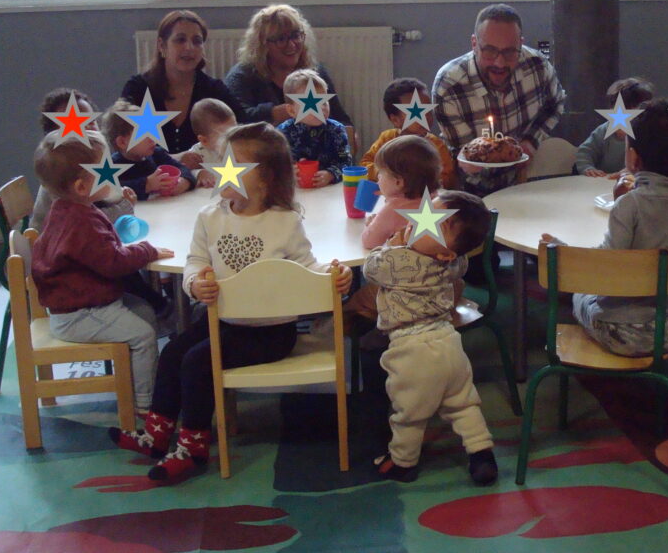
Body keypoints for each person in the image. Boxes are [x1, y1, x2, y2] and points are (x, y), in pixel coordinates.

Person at [109, 122, 354, 482]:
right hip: (224, 320)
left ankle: (193, 447)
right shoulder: (210, 217)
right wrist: (195, 283)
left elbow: (306, 265)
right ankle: (157, 434)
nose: (223, 168)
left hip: (271, 332)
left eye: (235, 163)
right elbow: (195, 261)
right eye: (222, 159)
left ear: (266, 179)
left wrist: (335, 276)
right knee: (174, 351)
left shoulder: (284, 222)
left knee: (197, 361)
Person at [546, 99, 668, 419]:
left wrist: (561, 248)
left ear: (633, 158)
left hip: (618, 331)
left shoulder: (629, 205)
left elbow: (607, 265)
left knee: (579, 295)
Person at [31, 130, 174, 413]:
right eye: (104, 169)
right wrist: (147, 251)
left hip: (83, 304)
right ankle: (145, 404)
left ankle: (138, 380)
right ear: (82, 186)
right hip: (80, 314)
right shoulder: (80, 221)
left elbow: (100, 248)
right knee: (143, 336)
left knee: (145, 311)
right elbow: (114, 262)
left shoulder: (69, 209)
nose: (112, 173)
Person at [365, 190, 498, 486]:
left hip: (413, 351)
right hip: (450, 343)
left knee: (409, 413)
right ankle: (482, 453)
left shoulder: (399, 262)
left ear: (446, 253)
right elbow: (459, 261)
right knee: (463, 403)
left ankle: (403, 462)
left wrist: (390, 245)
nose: (417, 222)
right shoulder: (455, 263)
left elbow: (371, 268)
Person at [432, 3, 566, 197]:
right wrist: (470, 161)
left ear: (520, 44)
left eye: (510, 52)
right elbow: (463, 154)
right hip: (472, 191)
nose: (499, 62)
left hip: (526, 181)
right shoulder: (450, 86)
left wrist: (531, 140)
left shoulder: (538, 67)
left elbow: (556, 104)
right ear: (474, 43)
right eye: (489, 51)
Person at [121, 10, 245, 159]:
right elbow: (122, 146)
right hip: (148, 172)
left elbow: (243, 133)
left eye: (197, 41)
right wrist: (177, 159)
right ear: (162, 45)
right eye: (180, 40)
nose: (189, 47)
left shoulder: (215, 91)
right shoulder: (137, 88)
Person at [225, 4, 352, 128]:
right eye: (281, 39)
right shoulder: (242, 76)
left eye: (296, 36)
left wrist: (349, 134)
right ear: (262, 44)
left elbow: (341, 119)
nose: (291, 45)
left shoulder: (315, 72)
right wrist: (277, 112)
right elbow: (236, 120)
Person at [30, 87, 133, 230]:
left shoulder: (94, 161)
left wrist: (121, 196)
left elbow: (105, 199)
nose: (90, 130)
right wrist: (125, 206)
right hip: (53, 240)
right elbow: (89, 222)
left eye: (92, 121)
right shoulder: (61, 177)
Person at [361, 78, 458, 189]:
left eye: (428, 111)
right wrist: (387, 174)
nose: (426, 117)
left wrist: (419, 180)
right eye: (417, 112)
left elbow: (448, 178)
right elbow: (365, 164)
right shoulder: (386, 139)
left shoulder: (436, 145)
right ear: (395, 120)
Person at [361, 135, 442, 250]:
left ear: (398, 182)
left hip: (406, 261)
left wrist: (371, 224)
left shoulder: (393, 208)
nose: (378, 177)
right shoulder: (437, 199)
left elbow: (369, 242)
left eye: (381, 173)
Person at [104, 100, 196, 200]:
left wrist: (185, 181)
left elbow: (181, 168)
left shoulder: (157, 154)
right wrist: (147, 185)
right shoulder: (112, 165)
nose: (153, 138)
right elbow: (109, 190)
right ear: (122, 142)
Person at [277, 69, 352, 187]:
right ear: (291, 110)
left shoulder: (336, 130)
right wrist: (287, 173)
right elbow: (273, 166)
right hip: (296, 190)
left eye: (324, 102)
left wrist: (331, 174)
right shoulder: (282, 133)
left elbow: (346, 161)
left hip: (329, 189)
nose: (321, 108)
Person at [575, 77, 655, 177]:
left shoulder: (647, 133)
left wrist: (634, 170)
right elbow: (585, 152)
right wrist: (588, 168)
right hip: (603, 181)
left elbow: (654, 159)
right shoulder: (603, 131)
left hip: (635, 181)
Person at [188, 98, 237, 188]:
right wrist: (199, 173)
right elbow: (183, 171)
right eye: (225, 136)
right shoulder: (197, 153)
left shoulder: (242, 147)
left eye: (235, 130)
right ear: (204, 141)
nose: (233, 137)